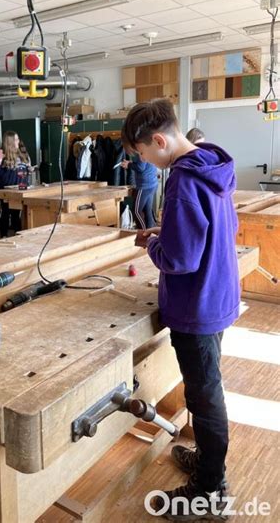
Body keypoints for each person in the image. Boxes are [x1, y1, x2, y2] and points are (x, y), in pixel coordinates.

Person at [122, 98, 239, 520]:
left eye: (144, 156)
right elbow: (220, 230)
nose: (148, 164)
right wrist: (167, 230)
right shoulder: (212, 167)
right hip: (218, 295)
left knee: (205, 399)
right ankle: (210, 465)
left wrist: (156, 243)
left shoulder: (182, 180)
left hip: (197, 305)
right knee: (204, 392)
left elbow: (181, 259)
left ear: (158, 140)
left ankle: (211, 490)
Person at [0, 131, 31, 237]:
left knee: (16, 213)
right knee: (6, 212)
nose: (18, 141)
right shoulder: (1, 153)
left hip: (20, 188)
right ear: (10, 142)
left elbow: (24, 168)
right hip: (6, 191)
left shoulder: (21, 153)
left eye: (18, 139)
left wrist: (29, 169)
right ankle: (4, 235)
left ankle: (18, 234)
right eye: (16, 139)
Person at [120, 152, 158, 229]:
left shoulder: (140, 151)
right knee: (147, 211)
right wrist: (132, 163)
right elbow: (142, 164)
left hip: (144, 186)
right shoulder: (147, 147)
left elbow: (140, 167)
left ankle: (143, 233)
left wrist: (129, 165)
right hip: (152, 184)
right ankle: (150, 234)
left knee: (136, 212)